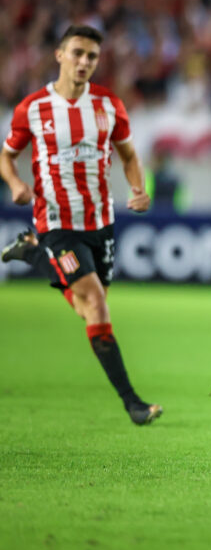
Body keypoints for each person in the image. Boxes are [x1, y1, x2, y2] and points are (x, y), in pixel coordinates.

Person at [0, 25, 162, 426]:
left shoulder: (109, 105)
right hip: (55, 219)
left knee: (89, 306)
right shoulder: (33, 108)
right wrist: (16, 183)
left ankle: (31, 252)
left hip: (100, 221)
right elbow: (6, 155)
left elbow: (127, 155)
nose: (84, 62)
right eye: (77, 53)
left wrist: (139, 189)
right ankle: (133, 404)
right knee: (94, 301)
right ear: (59, 55)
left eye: (92, 56)